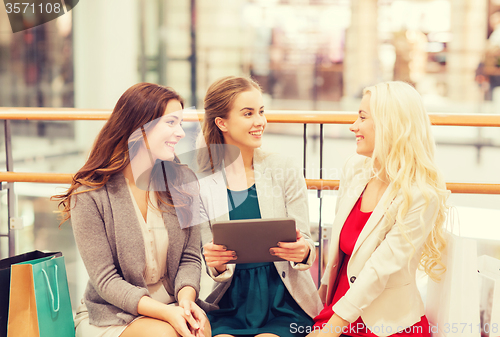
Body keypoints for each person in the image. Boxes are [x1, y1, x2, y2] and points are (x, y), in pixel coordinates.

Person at [53, 83, 209, 337]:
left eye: (180, 123)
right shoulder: (90, 194)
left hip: (173, 303)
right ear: (140, 126)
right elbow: (106, 281)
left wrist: (186, 302)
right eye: (171, 123)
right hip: (112, 313)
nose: (180, 133)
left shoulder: (182, 180)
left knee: (199, 329)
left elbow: (191, 257)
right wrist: (168, 314)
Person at [309, 81, 449, 337]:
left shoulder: (422, 194)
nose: (353, 126)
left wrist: (330, 330)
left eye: (362, 117)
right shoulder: (355, 168)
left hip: (387, 324)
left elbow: (380, 268)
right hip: (337, 310)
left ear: (389, 125)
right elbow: (339, 261)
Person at [197, 76, 323, 337]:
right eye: (248, 113)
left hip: (285, 300)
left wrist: (302, 251)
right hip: (229, 302)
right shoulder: (200, 182)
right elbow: (206, 259)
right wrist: (216, 263)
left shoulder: (284, 168)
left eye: (261, 112)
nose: (260, 122)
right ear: (222, 122)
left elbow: (307, 243)